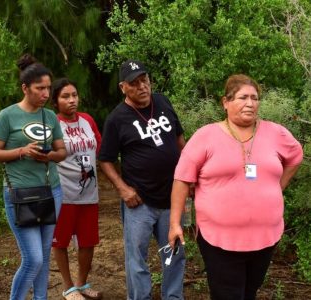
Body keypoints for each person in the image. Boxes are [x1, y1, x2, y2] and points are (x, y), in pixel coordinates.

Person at [168, 74, 303, 300]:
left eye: (255, 98)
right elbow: (182, 179)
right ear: (225, 102)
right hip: (219, 238)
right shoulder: (206, 136)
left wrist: (276, 188)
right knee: (227, 294)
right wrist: (174, 223)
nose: (250, 103)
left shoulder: (275, 132)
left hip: (265, 236)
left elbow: (296, 156)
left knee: (250, 291)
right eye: (243, 97)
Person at [99, 59, 186, 300]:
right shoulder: (117, 119)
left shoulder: (163, 102)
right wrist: (123, 189)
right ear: (123, 88)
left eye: (144, 80)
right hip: (140, 201)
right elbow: (105, 160)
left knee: (174, 253)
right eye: (134, 83)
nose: (142, 87)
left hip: (172, 197)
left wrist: (188, 176)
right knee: (137, 258)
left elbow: (180, 140)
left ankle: (173, 297)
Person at [0, 54, 67, 300]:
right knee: (33, 259)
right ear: (25, 88)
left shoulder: (50, 116)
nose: (45, 93)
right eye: (39, 88)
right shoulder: (7, 116)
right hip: (20, 194)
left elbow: (62, 152)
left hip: (51, 191)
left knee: (43, 256)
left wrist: (49, 156)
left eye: (48, 88)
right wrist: (22, 151)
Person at [50, 78, 102, 300]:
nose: (72, 100)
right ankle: (68, 287)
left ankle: (81, 283)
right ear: (55, 101)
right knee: (60, 241)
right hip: (64, 193)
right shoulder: (53, 124)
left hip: (89, 193)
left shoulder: (87, 120)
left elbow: (99, 147)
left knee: (88, 240)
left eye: (74, 95)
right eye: (65, 96)